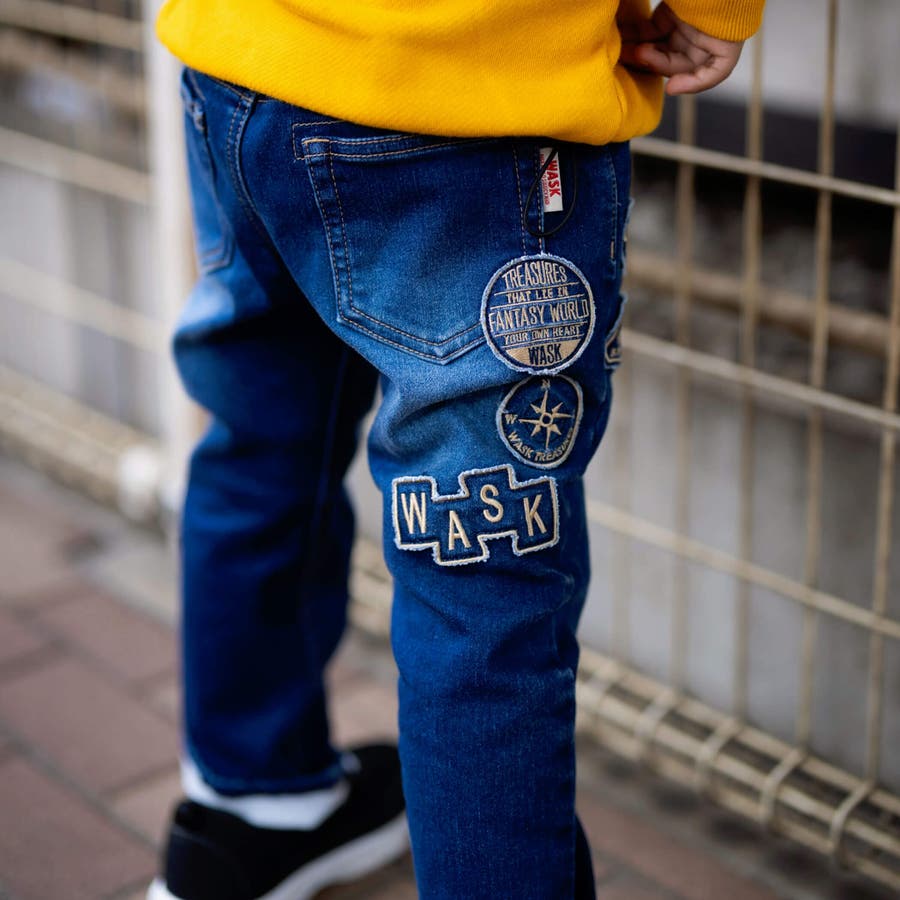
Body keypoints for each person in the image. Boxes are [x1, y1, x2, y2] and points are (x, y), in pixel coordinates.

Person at [148, 2, 764, 898]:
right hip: (469, 99)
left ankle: (251, 816)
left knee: (259, 447)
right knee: (480, 575)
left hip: (244, 64)